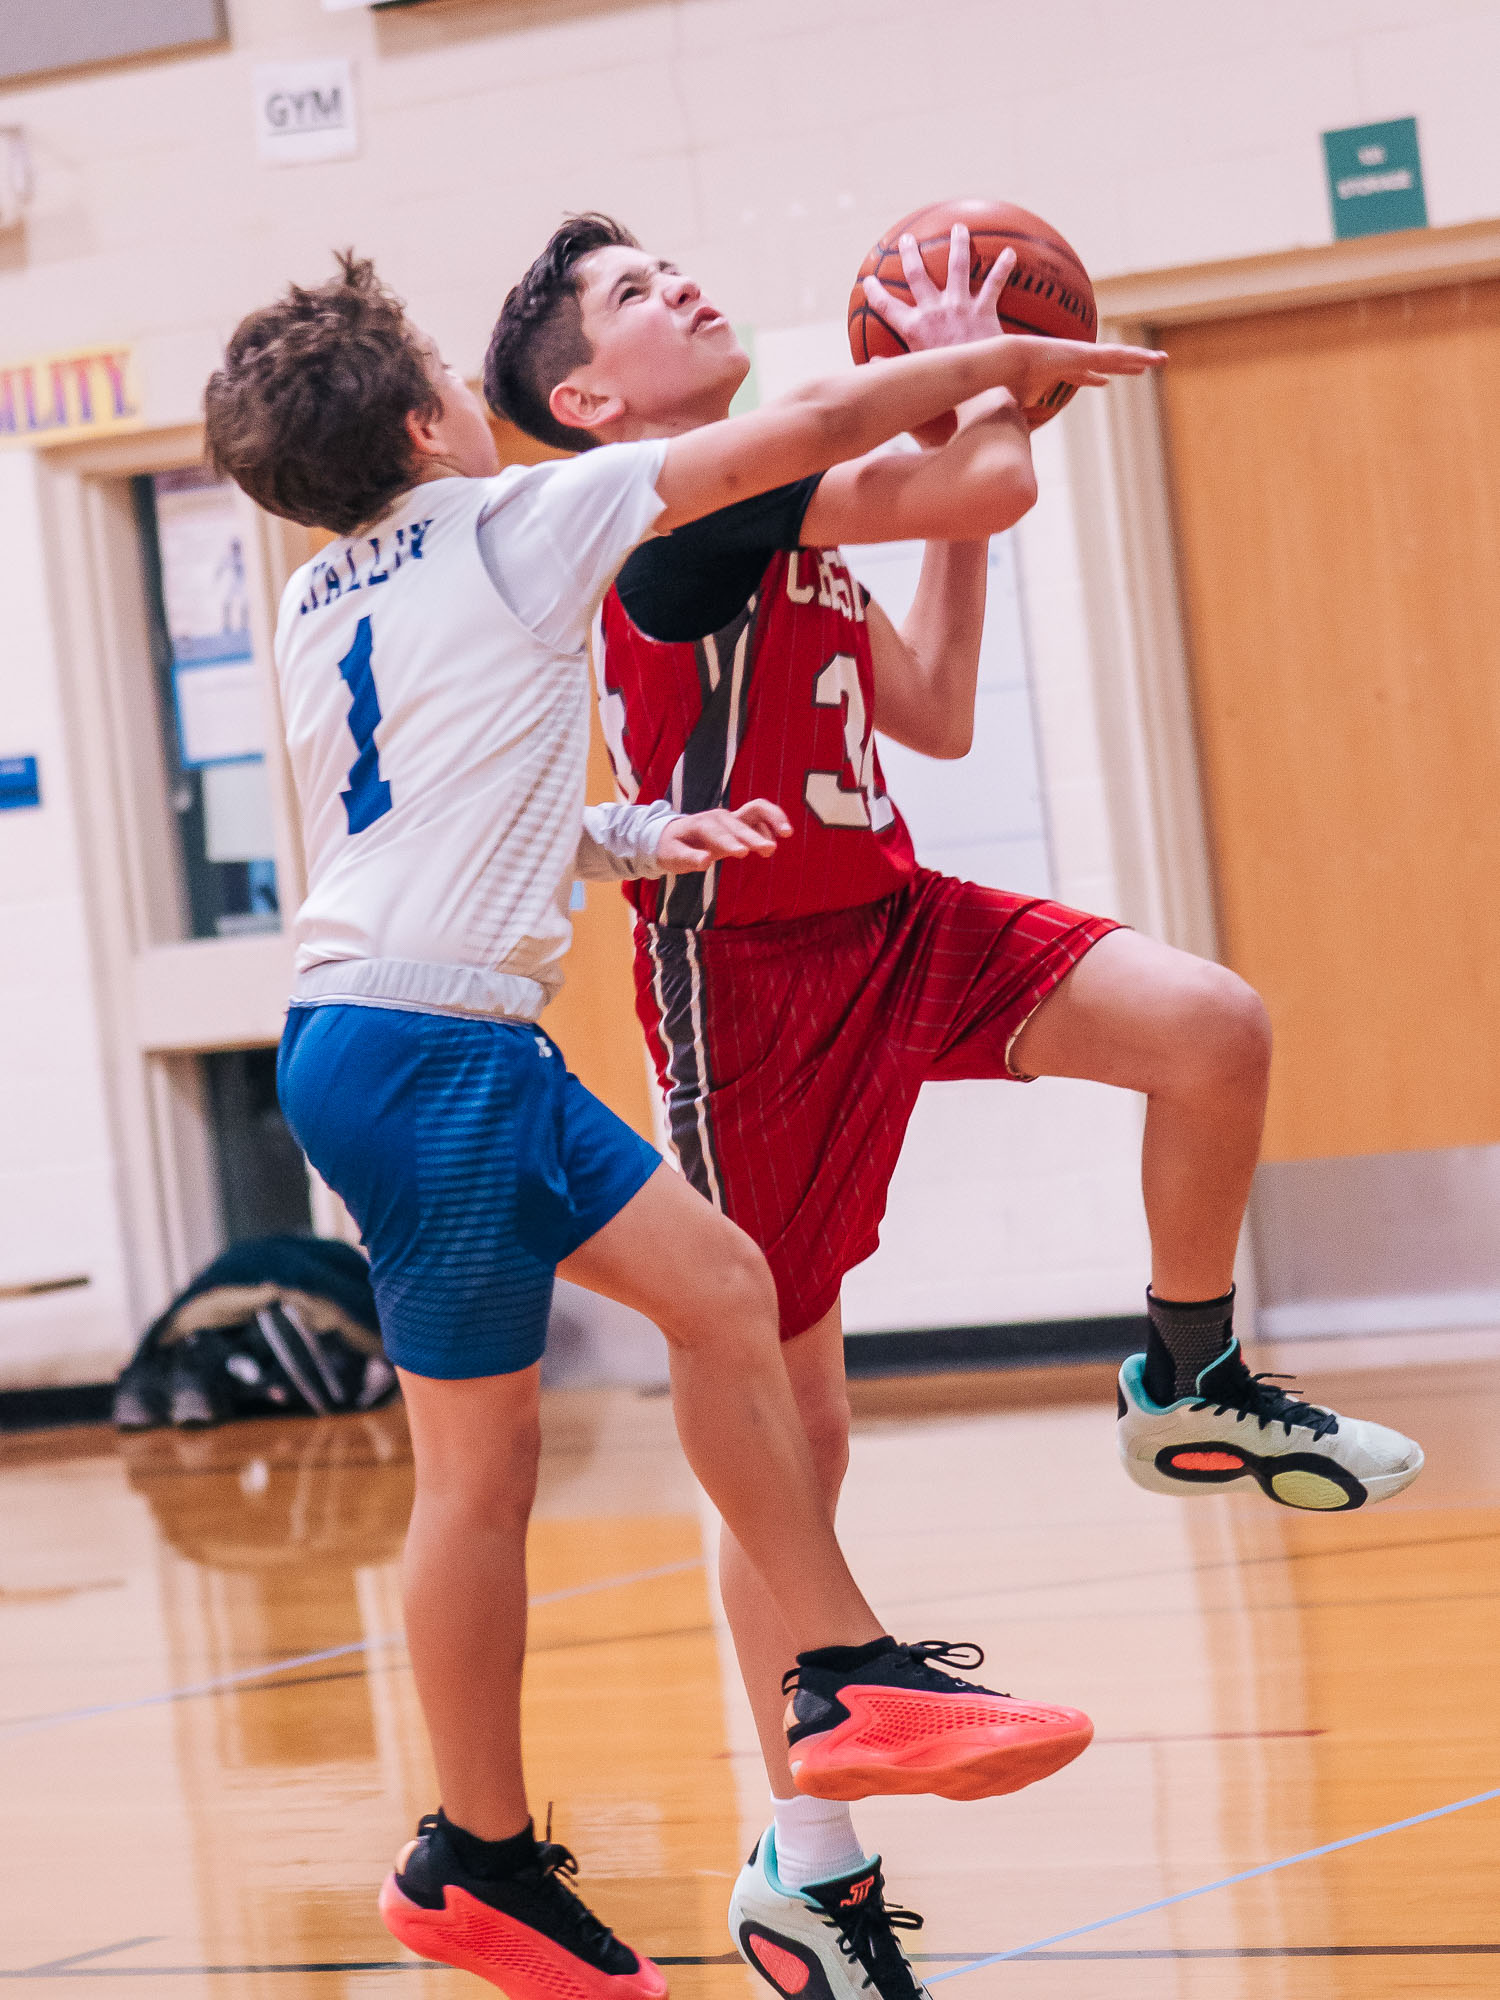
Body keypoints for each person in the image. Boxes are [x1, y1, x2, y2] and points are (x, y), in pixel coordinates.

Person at [483, 213, 1426, 2000]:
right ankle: (808, 1870)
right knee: (796, 1443)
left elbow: (931, 705)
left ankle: (1188, 1372)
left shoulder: (804, 491)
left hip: (898, 919)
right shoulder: (679, 504)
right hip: (744, 980)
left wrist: (959, 434)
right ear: (593, 400)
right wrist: (974, 365)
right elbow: (982, 493)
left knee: (1211, 1028)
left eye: (674, 261)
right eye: (631, 295)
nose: (682, 280)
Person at [202, 253, 1156, 1998]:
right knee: (494, 1467)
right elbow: (804, 433)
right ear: (429, 421)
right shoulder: (521, 521)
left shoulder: (319, 597)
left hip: (382, 1026)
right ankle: (539, 1822)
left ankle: (742, 1723)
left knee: (716, 1302)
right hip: (436, 1052)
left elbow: (423, 815)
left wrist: (636, 839)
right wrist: (998, 357)